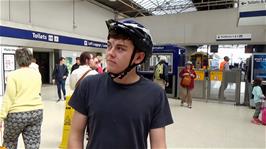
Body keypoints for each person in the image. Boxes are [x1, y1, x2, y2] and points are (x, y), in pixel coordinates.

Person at [68, 19, 173, 148]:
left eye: (120, 48)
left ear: (138, 57)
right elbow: (75, 135)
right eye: (109, 45)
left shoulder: (156, 94)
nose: (110, 53)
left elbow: (159, 145)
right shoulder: (88, 85)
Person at [0, 48, 43, 149]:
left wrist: (1, 117)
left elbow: (9, 98)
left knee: (10, 142)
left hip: (16, 115)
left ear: (17, 60)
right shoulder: (37, 74)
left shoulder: (13, 75)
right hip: (36, 113)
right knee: (33, 144)